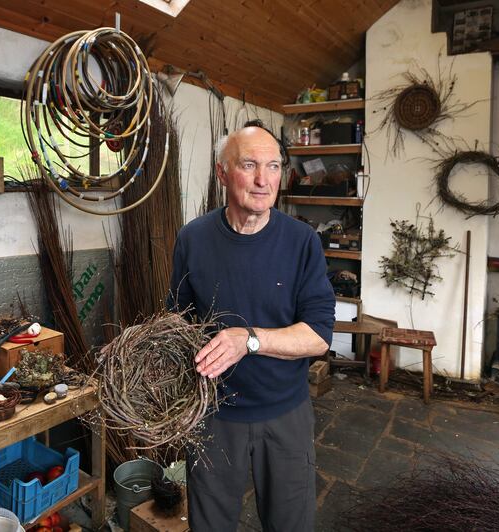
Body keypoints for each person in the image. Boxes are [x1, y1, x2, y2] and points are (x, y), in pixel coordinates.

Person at [168, 121, 336, 531]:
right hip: (212, 415)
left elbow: (318, 337)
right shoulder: (193, 239)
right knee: (209, 524)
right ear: (222, 173)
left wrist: (251, 340)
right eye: (249, 165)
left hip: (285, 414)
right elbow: (178, 324)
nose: (264, 180)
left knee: (290, 523)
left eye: (274, 166)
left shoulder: (301, 242)